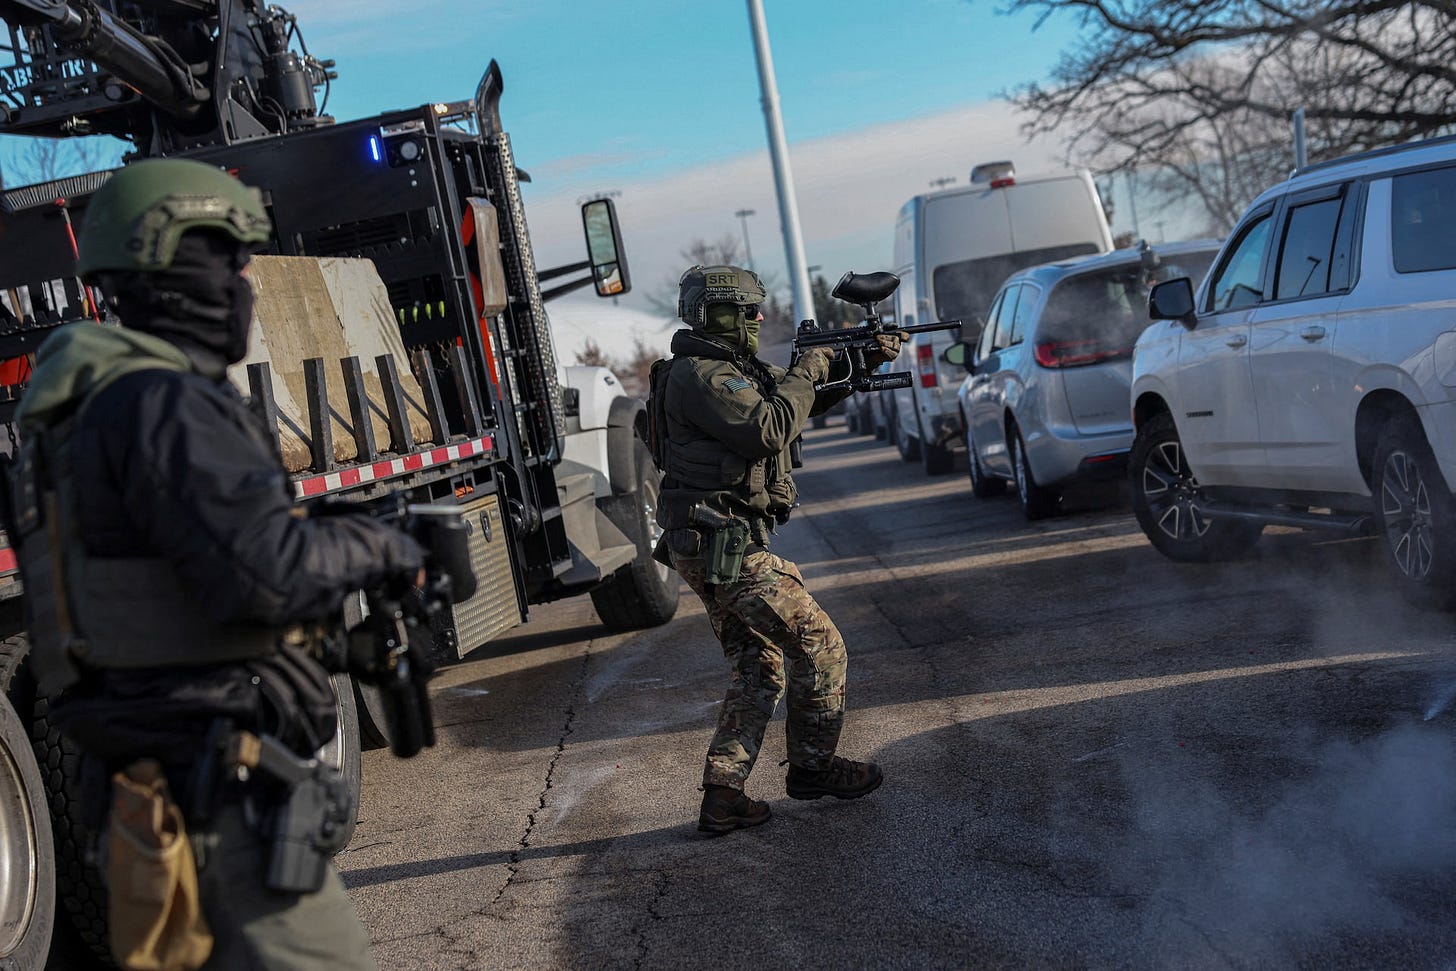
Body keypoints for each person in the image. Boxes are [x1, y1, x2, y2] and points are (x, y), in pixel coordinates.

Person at [8, 158, 425, 969]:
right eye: (226, 262)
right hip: (213, 798)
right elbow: (263, 573)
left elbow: (168, 588)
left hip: (143, 793)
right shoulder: (161, 402)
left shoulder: (76, 410)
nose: (243, 285)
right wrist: (382, 545)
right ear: (168, 266)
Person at [647, 264, 904, 835]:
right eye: (747, 311)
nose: (759, 318)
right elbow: (768, 427)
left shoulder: (724, 368)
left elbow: (795, 406)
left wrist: (859, 363)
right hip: (725, 545)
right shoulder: (701, 375)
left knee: (758, 666)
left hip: (711, 541)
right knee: (820, 646)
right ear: (715, 314)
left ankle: (724, 795)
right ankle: (812, 769)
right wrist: (810, 366)